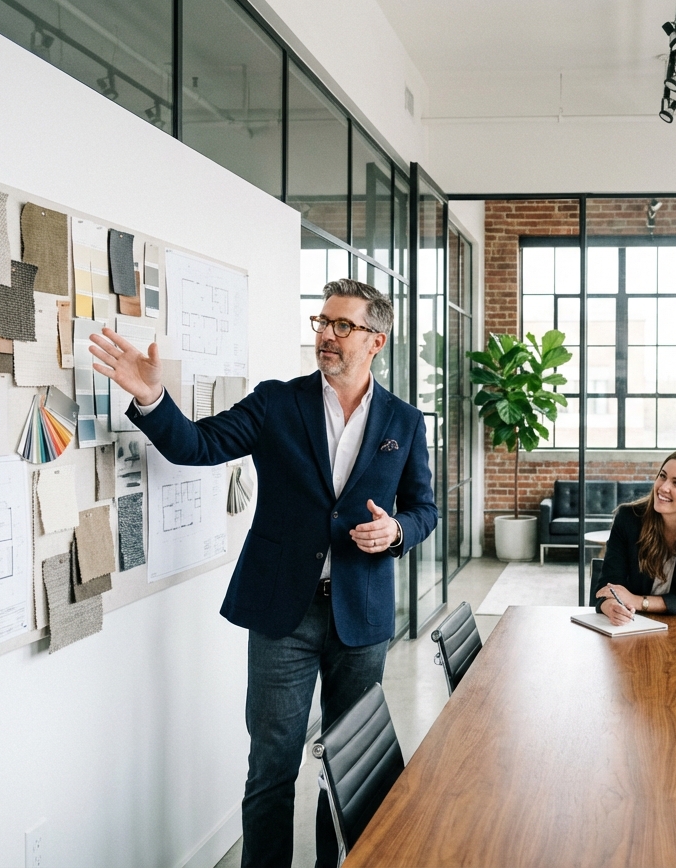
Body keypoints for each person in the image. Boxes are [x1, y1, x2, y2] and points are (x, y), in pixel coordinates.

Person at [89, 278, 438, 868]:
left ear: (376, 340)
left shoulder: (404, 420)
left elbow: (424, 508)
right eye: (321, 323)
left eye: (342, 326)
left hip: (363, 611)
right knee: (272, 767)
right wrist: (152, 398)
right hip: (285, 614)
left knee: (352, 764)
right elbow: (197, 445)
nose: (326, 335)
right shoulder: (279, 402)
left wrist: (397, 531)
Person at [592, 449, 676, 623]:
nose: (663, 487)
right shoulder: (628, 518)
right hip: (633, 624)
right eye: (662, 476)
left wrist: (640, 601)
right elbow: (608, 586)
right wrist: (609, 605)